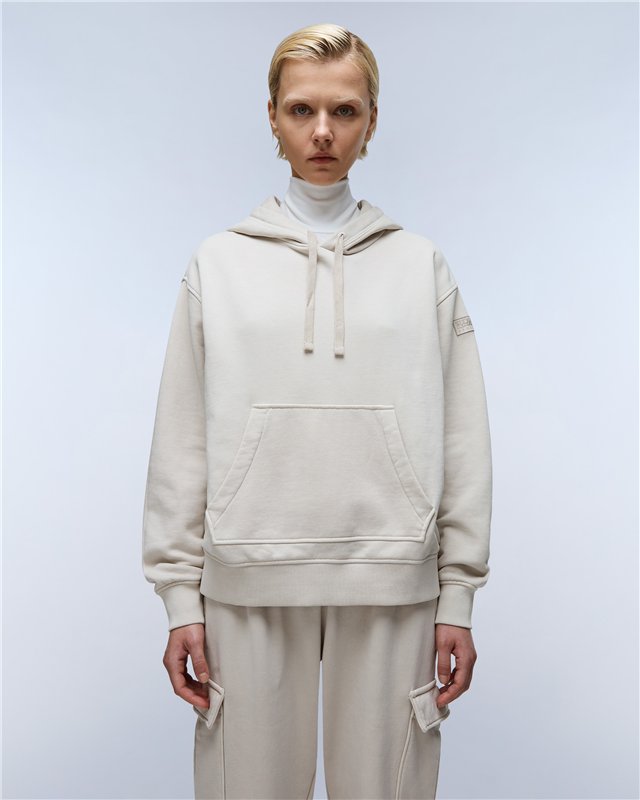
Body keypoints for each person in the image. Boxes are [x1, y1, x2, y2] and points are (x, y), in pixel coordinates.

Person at [142, 22, 492, 800]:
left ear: (372, 121)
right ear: (272, 116)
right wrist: (178, 598)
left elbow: (463, 438)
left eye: (345, 110)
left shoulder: (420, 266)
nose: (323, 132)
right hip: (247, 575)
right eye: (302, 110)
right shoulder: (219, 264)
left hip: (393, 575)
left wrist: (459, 597)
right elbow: (181, 439)